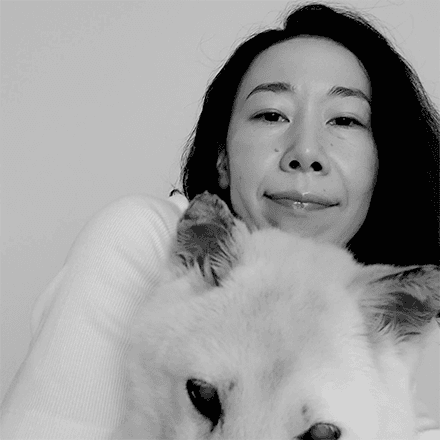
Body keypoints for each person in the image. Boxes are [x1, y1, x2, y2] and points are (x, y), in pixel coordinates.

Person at [1, 3, 439, 439]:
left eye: (344, 120)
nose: (306, 151)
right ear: (222, 157)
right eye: (272, 114)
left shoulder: (375, 333)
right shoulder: (146, 235)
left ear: (384, 167)